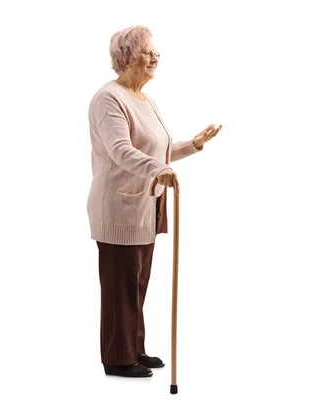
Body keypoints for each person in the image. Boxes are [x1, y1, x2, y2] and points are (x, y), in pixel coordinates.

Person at [87, 25, 222, 378]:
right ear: (127, 56)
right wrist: (157, 168)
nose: (154, 58)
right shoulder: (108, 98)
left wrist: (192, 145)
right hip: (118, 206)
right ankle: (118, 358)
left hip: (147, 206)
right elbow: (120, 151)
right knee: (121, 285)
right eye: (147, 52)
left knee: (136, 283)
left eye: (155, 53)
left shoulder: (146, 100)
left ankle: (134, 347)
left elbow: (156, 151)